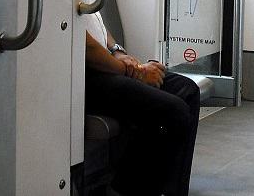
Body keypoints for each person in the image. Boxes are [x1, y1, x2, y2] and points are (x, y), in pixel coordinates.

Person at [84, 12, 200, 195]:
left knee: (186, 90)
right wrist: (133, 71)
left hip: (108, 66)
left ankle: (173, 190)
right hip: (84, 76)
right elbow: (86, 46)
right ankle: (123, 188)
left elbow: (94, 21)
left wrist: (117, 51)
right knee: (173, 110)